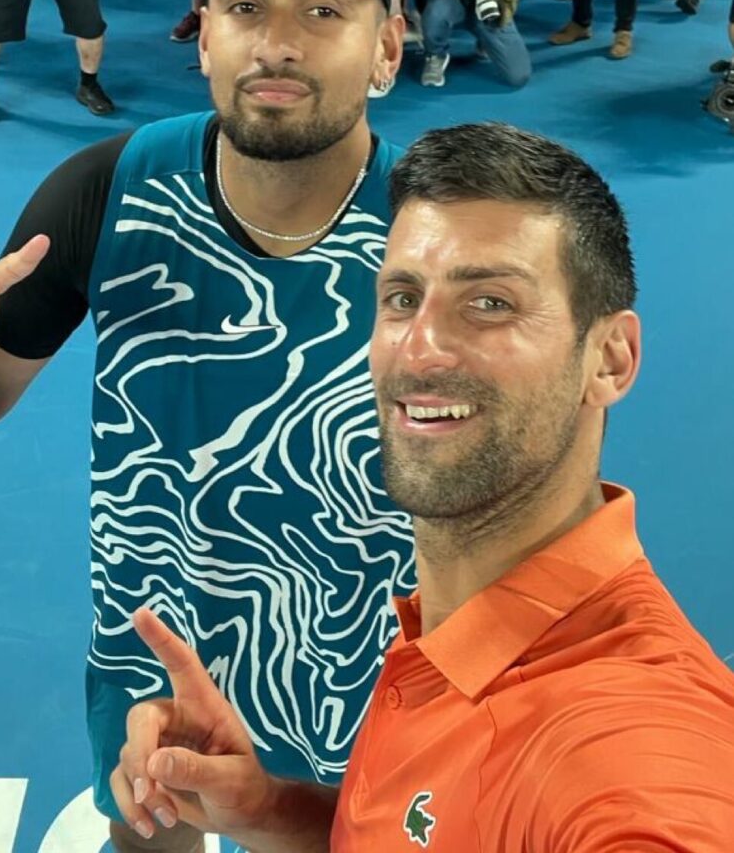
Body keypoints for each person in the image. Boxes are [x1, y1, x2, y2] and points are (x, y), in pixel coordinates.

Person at [0, 0, 408, 853]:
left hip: (368, 675)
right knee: (148, 837)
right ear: (203, 35)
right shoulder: (106, 193)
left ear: (388, 48)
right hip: (154, 670)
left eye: (323, 10)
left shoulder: (441, 235)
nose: (275, 43)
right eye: (242, 5)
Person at [108, 122, 734, 852]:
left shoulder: (628, 747)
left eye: (489, 303)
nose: (420, 347)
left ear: (611, 359)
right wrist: (271, 811)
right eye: (402, 297)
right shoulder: (457, 623)